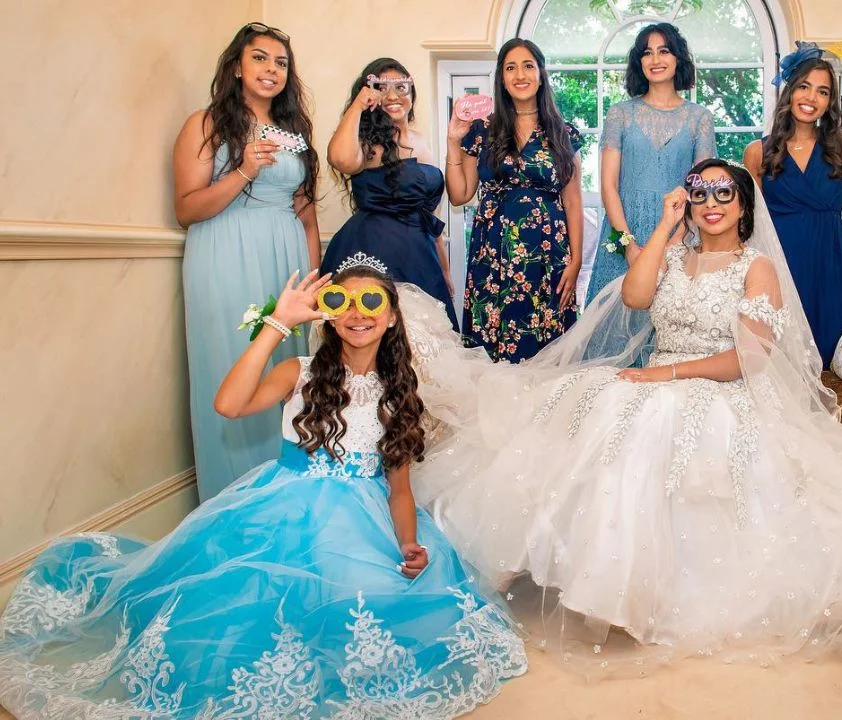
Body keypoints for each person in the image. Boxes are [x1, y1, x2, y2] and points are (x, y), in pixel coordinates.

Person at [410, 159, 842, 675]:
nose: (711, 203)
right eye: (700, 193)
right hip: (656, 377)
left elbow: (746, 359)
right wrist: (663, 227)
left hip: (722, 388)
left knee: (651, 432)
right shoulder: (673, 255)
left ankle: (638, 594)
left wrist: (670, 376)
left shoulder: (756, 268)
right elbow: (636, 297)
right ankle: (589, 576)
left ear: (743, 207)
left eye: (724, 193)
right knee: (579, 415)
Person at [0, 263, 526, 716]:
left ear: (390, 317)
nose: (357, 313)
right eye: (341, 301)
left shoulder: (398, 392)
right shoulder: (296, 373)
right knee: (241, 612)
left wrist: (409, 544)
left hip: (362, 520)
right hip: (283, 506)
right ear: (326, 312)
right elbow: (228, 405)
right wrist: (277, 325)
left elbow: (400, 491)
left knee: (374, 607)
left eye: (372, 301)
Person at [175, 22, 321, 500]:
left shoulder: (294, 132)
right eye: (260, 58)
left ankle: (286, 497)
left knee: (289, 369)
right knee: (235, 359)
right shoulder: (206, 124)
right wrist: (244, 169)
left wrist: (313, 280)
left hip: (286, 258)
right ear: (237, 66)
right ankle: (232, 501)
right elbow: (186, 209)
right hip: (225, 254)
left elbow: (305, 214)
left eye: (281, 63)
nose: (271, 69)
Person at [443, 38, 583, 362]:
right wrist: (453, 141)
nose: (520, 74)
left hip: (548, 257)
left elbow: (573, 203)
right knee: (491, 354)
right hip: (492, 256)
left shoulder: (564, 133)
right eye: (510, 67)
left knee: (545, 352)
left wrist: (575, 262)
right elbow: (459, 195)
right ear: (502, 78)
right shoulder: (482, 130)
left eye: (528, 66)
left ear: (541, 73)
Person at [744, 46, 842, 368]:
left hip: (830, 266)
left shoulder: (839, 142)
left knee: (834, 359)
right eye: (803, 86)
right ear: (789, 92)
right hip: (780, 267)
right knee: (781, 361)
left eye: (823, 92)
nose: (811, 97)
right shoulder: (757, 152)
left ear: (831, 101)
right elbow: (749, 225)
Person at [583, 22, 715, 305]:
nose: (655, 59)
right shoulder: (620, 114)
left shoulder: (700, 119)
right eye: (647, 53)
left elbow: (700, 193)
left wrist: (673, 244)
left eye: (664, 51)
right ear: (638, 61)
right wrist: (628, 246)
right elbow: (609, 186)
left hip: (679, 232)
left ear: (677, 57)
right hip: (622, 231)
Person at [322, 57, 458, 330]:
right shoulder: (369, 144)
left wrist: (443, 270)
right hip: (375, 251)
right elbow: (340, 159)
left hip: (420, 255)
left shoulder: (421, 141)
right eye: (382, 88)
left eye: (401, 87)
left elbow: (430, 216)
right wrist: (357, 106)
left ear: (412, 94)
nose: (393, 95)